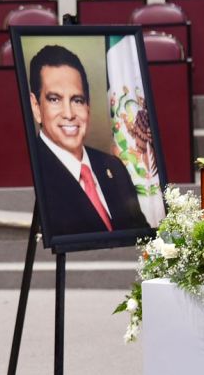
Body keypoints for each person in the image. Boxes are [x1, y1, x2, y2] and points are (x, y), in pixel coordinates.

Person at [27, 44, 150, 236]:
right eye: (54, 99)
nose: (69, 114)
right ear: (36, 107)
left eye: (77, 100)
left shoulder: (114, 168)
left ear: (88, 107)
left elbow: (141, 235)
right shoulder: (33, 174)